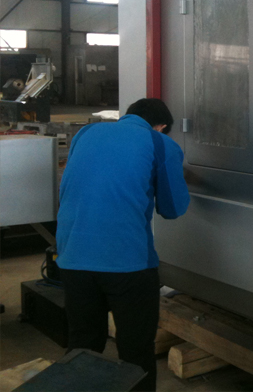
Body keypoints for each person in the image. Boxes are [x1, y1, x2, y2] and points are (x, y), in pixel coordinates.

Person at [55, 98, 190, 391]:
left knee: (83, 343)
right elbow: (172, 208)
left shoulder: (86, 133)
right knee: (135, 350)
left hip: (72, 256)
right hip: (127, 264)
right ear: (161, 126)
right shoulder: (160, 143)